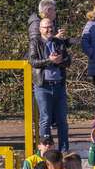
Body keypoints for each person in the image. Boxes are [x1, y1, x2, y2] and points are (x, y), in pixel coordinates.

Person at [29, 17, 72, 152]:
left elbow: (68, 60)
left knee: (62, 121)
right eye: (45, 27)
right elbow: (32, 61)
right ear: (40, 29)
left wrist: (60, 61)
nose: (49, 29)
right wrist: (49, 60)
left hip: (59, 85)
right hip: (43, 86)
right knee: (45, 118)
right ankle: (46, 149)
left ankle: (64, 150)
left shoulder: (59, 42)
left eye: (51, 26)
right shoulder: (35, 42)